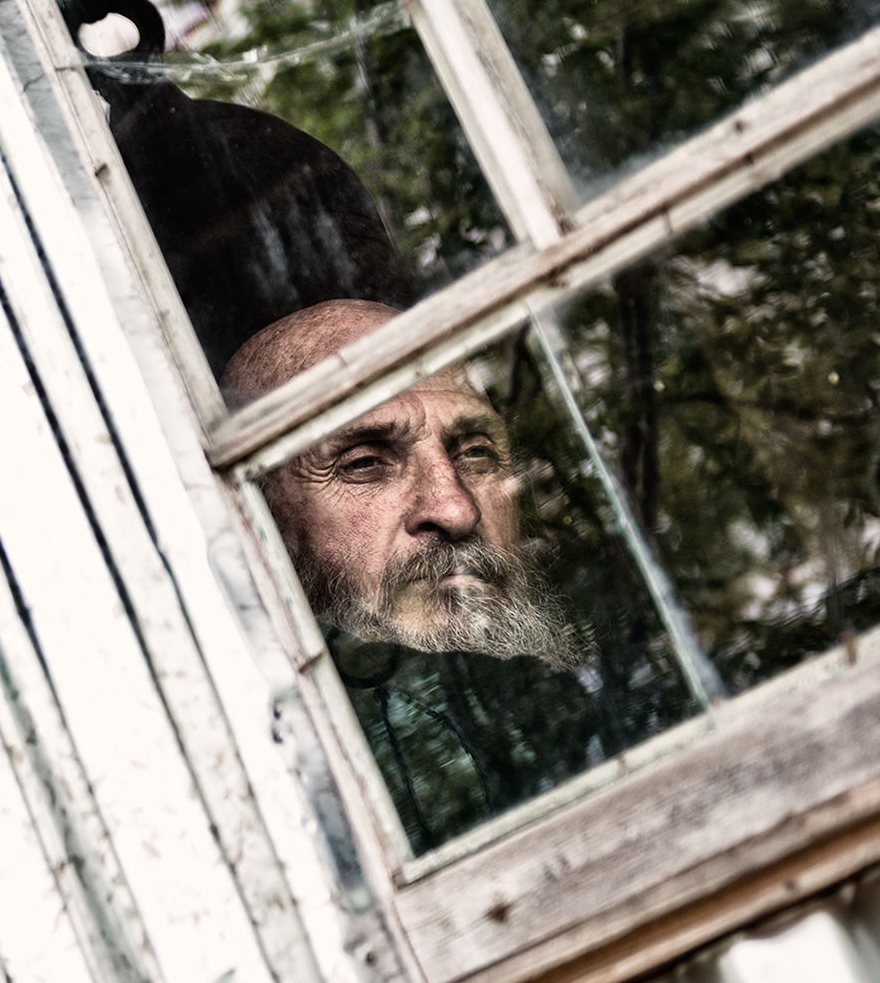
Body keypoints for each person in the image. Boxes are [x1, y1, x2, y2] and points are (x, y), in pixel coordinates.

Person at [224, 300, 609, 851]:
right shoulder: (273, 801)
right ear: (266, 520)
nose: (455, 510)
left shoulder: (613, 696)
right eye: (363, 464)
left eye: (475, 454)